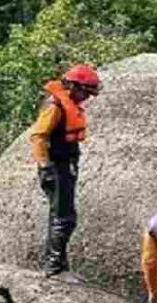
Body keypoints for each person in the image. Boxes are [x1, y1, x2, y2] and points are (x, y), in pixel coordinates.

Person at [29, 64, 101, 278]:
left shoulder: (66, 103)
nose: (86, 98)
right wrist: (45, 167)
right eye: (85, 93)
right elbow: (38, 137)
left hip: (64, 165)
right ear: (73, 87)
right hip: (55, 167)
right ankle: (53, 267)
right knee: (63, 217)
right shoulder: (55, 106)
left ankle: (59, 264)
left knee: (62, 215)